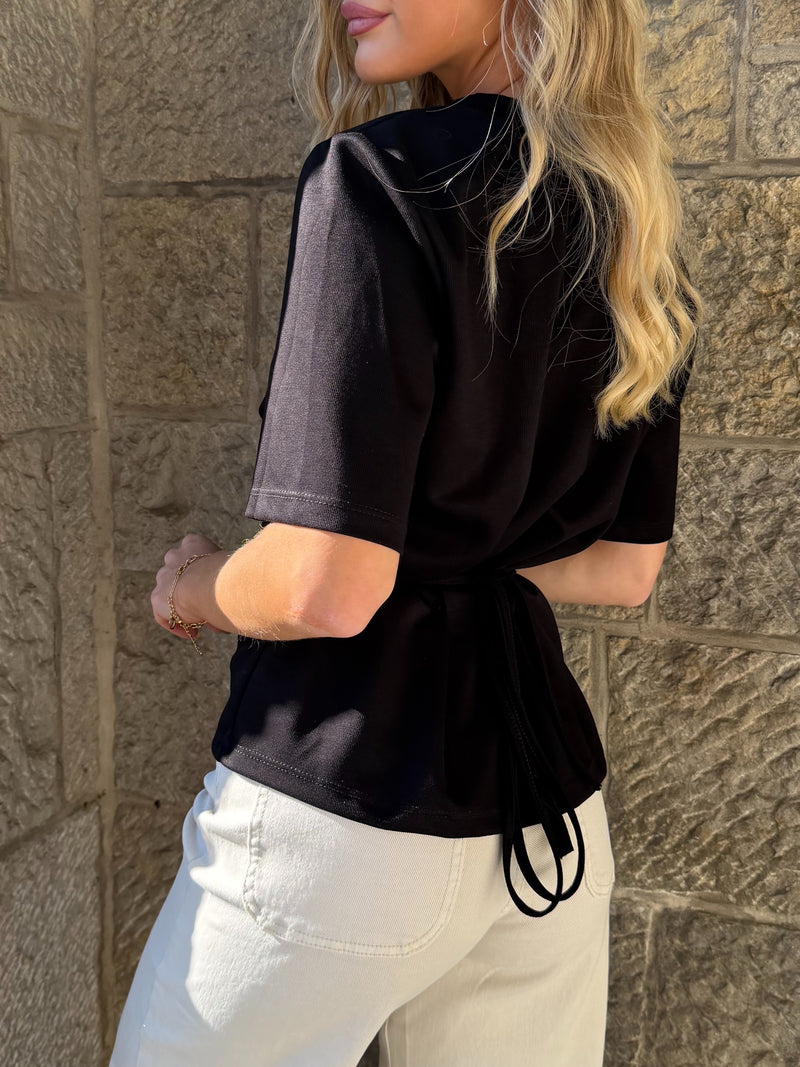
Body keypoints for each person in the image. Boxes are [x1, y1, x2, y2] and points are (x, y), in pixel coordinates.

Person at [110, 0, 703, 1064]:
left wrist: (193, 584)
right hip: (542, 813)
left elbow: (323, 584)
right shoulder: (635, 225)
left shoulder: (377, 177)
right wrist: (442, 554)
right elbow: (622, 567)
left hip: (344, 796)